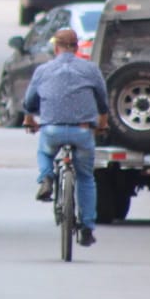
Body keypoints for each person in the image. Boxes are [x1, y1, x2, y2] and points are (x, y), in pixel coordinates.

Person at [22, 27, 110, 248]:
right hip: (82, 131)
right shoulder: (90, 70)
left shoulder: (43, 70)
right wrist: (102, 122)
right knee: (86, 178)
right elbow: (102, 102)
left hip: (52, 129)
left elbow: (30, 103)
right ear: (77, 47)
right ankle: (87, 227)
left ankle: (46, 177)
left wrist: (30, 118)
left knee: (44, 150)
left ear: (56, 47)